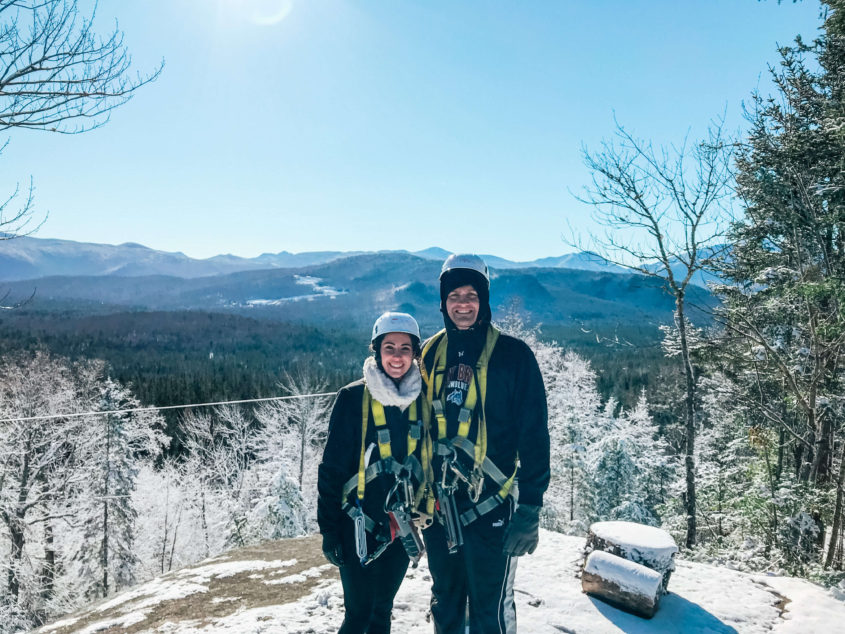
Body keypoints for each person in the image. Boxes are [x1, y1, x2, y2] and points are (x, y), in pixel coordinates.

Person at [420, 254, 550, 634]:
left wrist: (530, 508)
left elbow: (534, 436)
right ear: (443, 302)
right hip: (440, 507)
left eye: (471, 294)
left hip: (492, 505)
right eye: (454, 295)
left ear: (485, 299)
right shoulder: (429, 354)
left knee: (489, 609)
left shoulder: (514, 357)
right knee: (445, 601)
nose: (463, 304)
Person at [317, 311, 428, 634]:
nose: (397, 356)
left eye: (405, 348)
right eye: (389, 347)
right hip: (357, 526)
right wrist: (329, 530)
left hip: (400, 527)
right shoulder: (352, 399)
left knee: (382, 611)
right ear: (377, 351)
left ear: (415, 354)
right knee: (359, 614)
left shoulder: (419, 400)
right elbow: (331, 470)